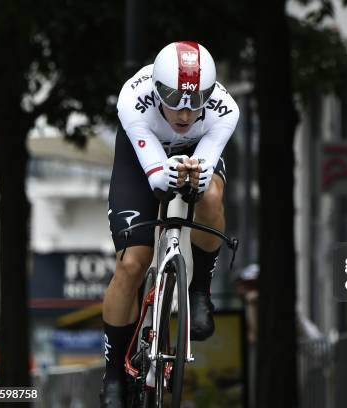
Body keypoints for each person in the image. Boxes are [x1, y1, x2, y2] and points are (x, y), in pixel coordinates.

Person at [101, 41, 239, 407]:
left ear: (208, 96)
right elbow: (160, 181)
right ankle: (114, 375)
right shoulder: (133, 98)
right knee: (132, 263)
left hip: (195, 157)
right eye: (174, 98)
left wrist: (196, 175)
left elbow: (205, 173)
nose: (184, 111)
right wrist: (176, 172)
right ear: (158, 90)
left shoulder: (226, 110)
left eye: (195, 101)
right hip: (143, 157)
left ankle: (200, 292)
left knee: (210, 197)